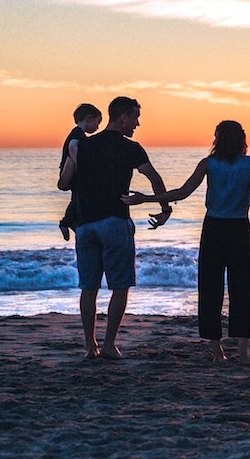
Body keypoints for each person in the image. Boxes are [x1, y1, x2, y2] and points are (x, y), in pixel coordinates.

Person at [125, 121, 250, 364]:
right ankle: (243, 352)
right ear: (242, 139)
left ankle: (217, 350)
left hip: (214, 229)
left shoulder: (209, 164)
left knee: (210, 289)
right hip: (238, 229)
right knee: (242, 290)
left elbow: (182, 192)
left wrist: (147, 198)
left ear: (218, 138)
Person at [57, 96, 172, 360]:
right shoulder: (130, 148)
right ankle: (109, 344)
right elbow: (154, 178)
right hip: (114, 222)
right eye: (134, 118)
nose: (137, 124)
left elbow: (65, 183)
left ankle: (90, 346)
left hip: (85, 224)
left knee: (89, 287)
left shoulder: (81, 146)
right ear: (122, 117)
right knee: (120, 286)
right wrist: (165, 210)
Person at [57, 103, 103, 241]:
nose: (98, 127)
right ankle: (66, 222)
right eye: (97, 122)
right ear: (89, 119)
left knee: (77, 197)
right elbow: (72, 147)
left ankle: (69, 222)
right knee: (79, 197)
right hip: (71, 172)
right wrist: (82, 165)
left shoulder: (77, 133)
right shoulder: (78, 133)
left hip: (72, 171)